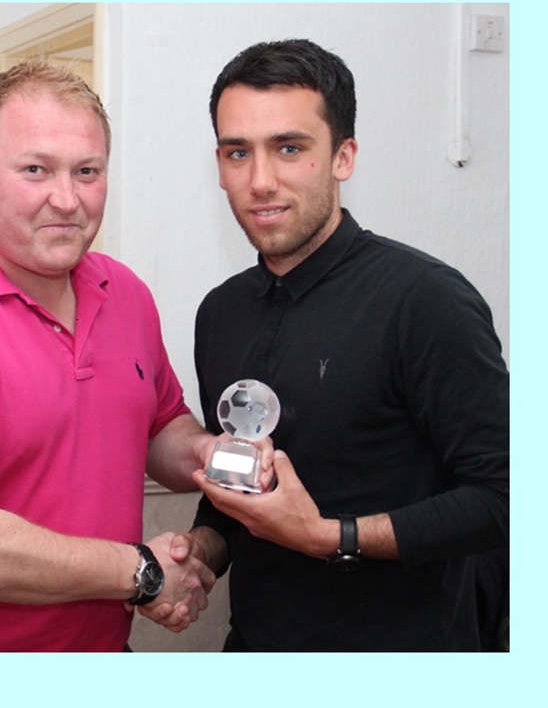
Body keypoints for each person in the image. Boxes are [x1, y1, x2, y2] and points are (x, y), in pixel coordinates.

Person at [143, 38, 509, 651]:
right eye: (239, 153)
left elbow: (506, 497)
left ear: (343, 157)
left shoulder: (424, 300)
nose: (260, 181)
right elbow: (239, 488)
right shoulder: (221, 313)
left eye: (289, 148)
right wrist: (197, 551)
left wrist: (329, 537)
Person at [0, 60, 220, 652]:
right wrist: (141, 573)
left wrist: (209, 455)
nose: (67, 199)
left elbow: (158, 427)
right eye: (35, 170)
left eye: (87, 171)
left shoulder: (125, 292)